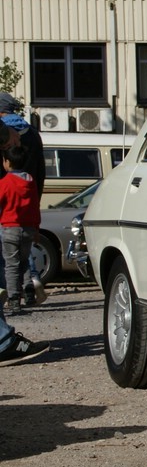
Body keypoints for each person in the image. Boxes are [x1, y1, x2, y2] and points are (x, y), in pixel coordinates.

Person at [0, 92, 46, 304]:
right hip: (27, 217)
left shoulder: (4, 132)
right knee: (25, 257)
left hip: (8, 221)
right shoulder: (33, 134)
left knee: (10, 261)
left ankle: (12, 295)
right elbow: (41, 170)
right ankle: (31, 283)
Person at [0, 145, 42, 314]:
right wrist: (36, 229)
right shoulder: (30, 182)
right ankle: (29, 291)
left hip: (10, 228)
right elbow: (35, 207)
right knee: (24, 261)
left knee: (11, 265)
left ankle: (14, 298)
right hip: (28, 229)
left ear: (7, 162)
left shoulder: (5, 182)